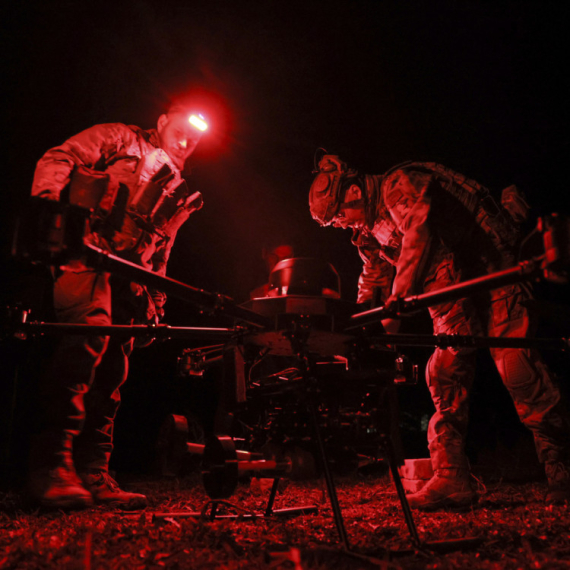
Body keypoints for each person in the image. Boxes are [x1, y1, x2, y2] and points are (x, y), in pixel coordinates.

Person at [309, 153, 570, 510]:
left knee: (518, 368)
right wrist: (362, 336)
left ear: (354, 191)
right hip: (448, 289)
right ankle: (451, 478)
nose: (341, 224)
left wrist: (401, 292)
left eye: (339, 215)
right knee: (444, 374)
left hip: (494, 271)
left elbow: (418, 231)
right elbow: (372, 284)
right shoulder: (368, 235)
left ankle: (562, 469)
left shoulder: (399, 184)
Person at [28, 101, 206, 509]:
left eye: (194, 139)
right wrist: (49, 205)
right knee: (84, 342)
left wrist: (155, 299)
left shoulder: (175, 180)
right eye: (181, 131)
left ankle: (93, 472)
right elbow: (60, 156)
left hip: (131, 277)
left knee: (112, 372)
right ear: (162, 121)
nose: (186, 142)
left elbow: (163, 241)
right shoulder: (120, 138)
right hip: (87, 253)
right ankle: (51, 466)